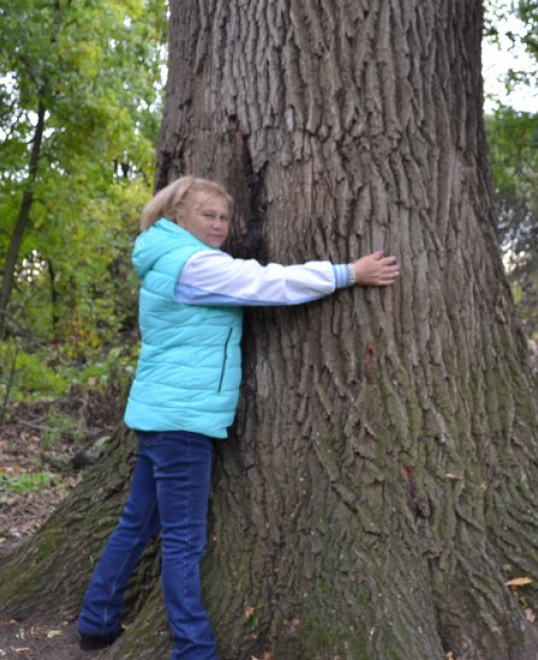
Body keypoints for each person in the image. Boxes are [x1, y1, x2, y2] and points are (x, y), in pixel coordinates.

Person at [76, 176, 400, 658]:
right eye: (208, 215)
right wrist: (347, 273)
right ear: (179, 215)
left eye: (224, 218)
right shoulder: (195, 266)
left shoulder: (163, 257)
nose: (219, 225)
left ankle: (96, 622)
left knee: (137, 523)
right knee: (184, 543)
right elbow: (270, 284)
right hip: (182, 422)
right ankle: (193, 650)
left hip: (160, 416)